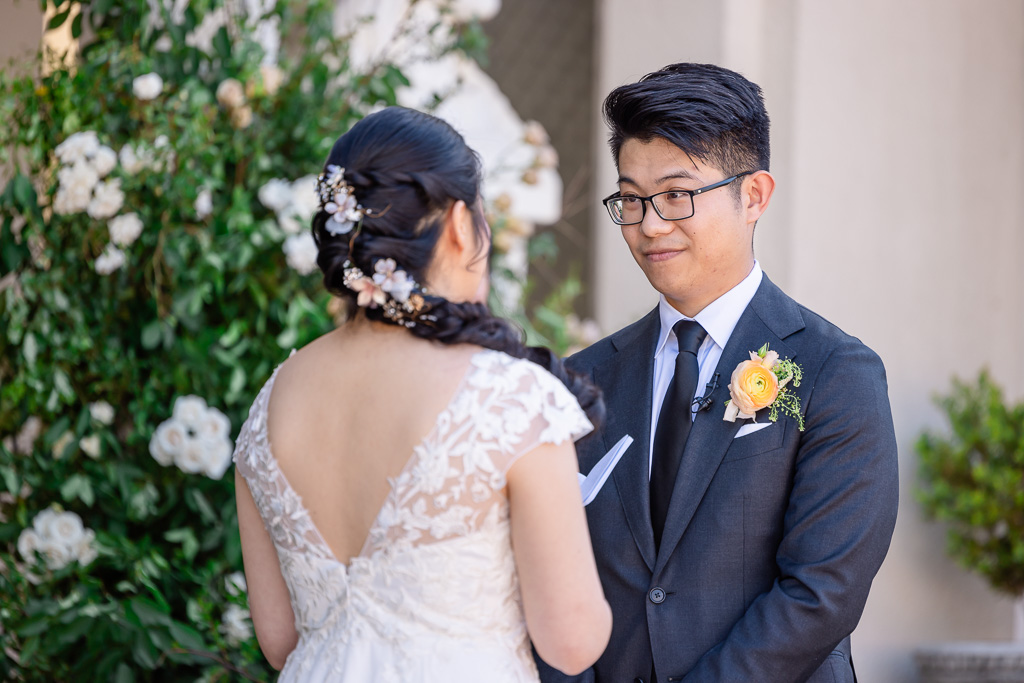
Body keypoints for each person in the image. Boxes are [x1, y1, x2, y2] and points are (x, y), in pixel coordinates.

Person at [538, 63, 899, 683]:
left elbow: (821, 593)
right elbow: (555, 576)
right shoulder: (581, 379)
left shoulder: (834, 371)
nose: (650, 224)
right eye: (630, 199)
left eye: (678, 195)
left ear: (753, 195)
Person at [232, 106, 612, 682]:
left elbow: (281, 639)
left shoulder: (272, 402)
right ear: (461, 223)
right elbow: (572, 640)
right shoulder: (509, 398)